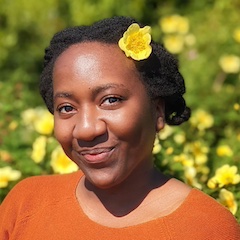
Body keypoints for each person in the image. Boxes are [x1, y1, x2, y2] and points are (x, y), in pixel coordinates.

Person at [0, 16, 239, 239]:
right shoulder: (25, 206)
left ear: (157, 111)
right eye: (66, 108)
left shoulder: (208, 228)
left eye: (111, 100)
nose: (86, 129)